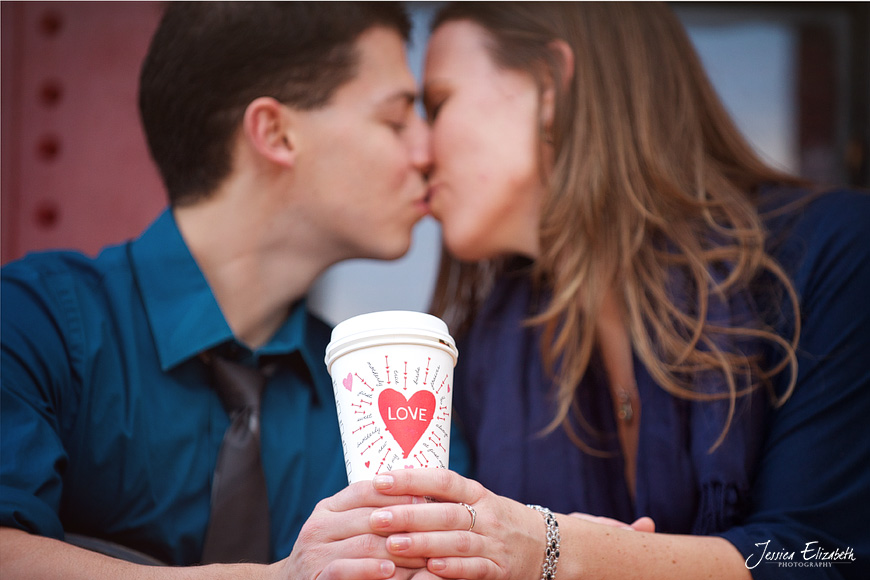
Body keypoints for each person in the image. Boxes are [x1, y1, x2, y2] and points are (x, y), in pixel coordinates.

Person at [360, 2, 870, 579]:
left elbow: (829, 554)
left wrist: (551, 550)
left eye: (438, 104)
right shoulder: (485, 348)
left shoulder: (835, 254)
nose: (421, 153)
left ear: (551, 84)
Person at [1, 2, 467, 578]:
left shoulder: (388, 384)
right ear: (275, 132)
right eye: (397, 120)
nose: (428, 152)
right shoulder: (29, 322)